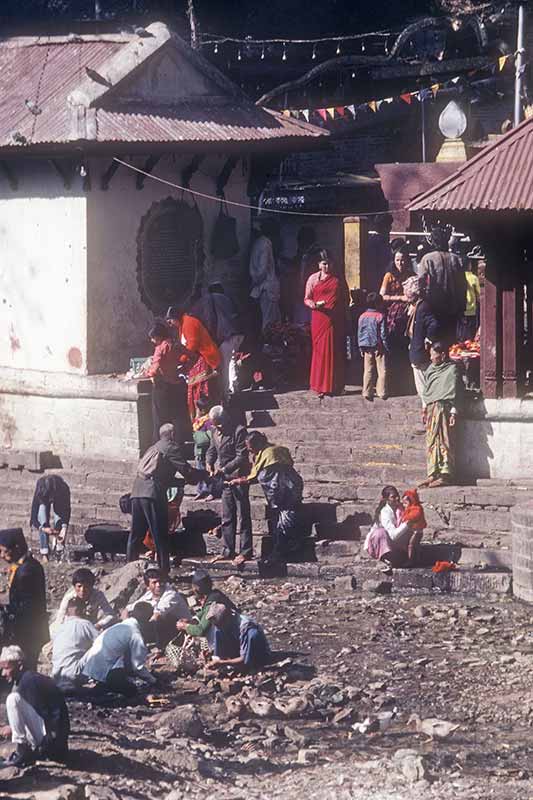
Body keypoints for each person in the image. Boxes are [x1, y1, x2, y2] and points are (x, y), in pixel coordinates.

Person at [127, 423, 201, 574]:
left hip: (137, 492)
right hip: (152, 494)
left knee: (136, 534)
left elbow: (160, 476)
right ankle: (164, 572)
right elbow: (187, 471)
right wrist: (203, 475)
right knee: (159, 534)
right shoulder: (171, 447)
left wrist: (182, 482)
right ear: (172, 434)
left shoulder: (153, 447)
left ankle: (128, 570)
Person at [228, 431, 304, 564]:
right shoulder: (269, 451)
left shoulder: (270, 454)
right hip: (289, 488)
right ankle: (283, 552)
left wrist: (240, 481)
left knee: (284, 523)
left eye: (250, 447)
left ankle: (282, 554)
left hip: (286, 491)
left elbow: (264, 478)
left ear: (257, 444)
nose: (249, 450)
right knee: (281, 521)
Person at [0, 645, 69, 768]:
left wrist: (44, 747)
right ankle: (26, 749)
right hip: (54, 742)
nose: (3, 673)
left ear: (19, 665)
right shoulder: (27, 679)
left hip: (53, 744)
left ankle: (22, 751)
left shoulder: (29, 682)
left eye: (6, 668)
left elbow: (49, 717)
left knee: (12, 699)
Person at [206, 406, 252, 566]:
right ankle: (227, 550)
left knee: (243, 515)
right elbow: (212, 450)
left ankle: (246, 551)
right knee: (227, 516)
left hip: (238, 477)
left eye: (219, 424)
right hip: (224, 479)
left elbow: (242, 456)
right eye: (215, 425)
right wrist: (209, 463)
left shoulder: (239, 431)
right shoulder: (214, 431)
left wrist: (224, 469)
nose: (218, 428)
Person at [79, 602, 157, 697]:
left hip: (89, 669)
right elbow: (138, 667)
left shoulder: (118, 627)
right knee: (133, 691)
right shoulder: (135, 634)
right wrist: (153, 680)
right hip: (103, 673)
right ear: (146, 620)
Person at [0, 528, 49, 670]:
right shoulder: (28, 565)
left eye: (3, 551)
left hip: (27, 634)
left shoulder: (27, 571)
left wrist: (3, 606)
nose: (1, 556)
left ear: (16, 547)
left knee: (22, 670)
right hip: (29, 632)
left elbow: (26, 607)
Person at [166, 306, 221, 420]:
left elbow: (192, 345)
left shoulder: (189, 323)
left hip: (203, 358)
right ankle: (197, 419)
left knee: (201, 391)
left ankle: (205, 418)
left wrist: (181, 359)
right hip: (194, 362)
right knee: (194, 391)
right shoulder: (183, 324)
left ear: (175, 317)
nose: (170, 324)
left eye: (170, 321)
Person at [304, 249, 345, 398]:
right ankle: (317, 385)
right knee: (319, 351)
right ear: (319, 264)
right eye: (324, 264)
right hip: (318, 317)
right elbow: (306, 298)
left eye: (329, 264)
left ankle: (330, 385)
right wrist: (314, 305)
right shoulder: (313, 279)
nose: (326, 267)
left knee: (331, 351)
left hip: (331, 319)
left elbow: (339, 300)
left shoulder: (336, 280)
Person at [419, 342, 462, 488]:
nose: (431, 358)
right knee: (431, 441)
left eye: (433, 354)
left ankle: (445, 475)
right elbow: (427, 390)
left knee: (444, 441)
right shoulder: (431, 369)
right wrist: (424, 409)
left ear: (442, 355)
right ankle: (432, 474)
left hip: (444, 409)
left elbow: (456, 393)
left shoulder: (452, 369)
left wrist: (453, 413)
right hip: (431, 410)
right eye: (430, 354)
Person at [190, 283, 244, 396]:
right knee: (231, 359)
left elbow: (210, 319)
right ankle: (233, 385)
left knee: (225, 364)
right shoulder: (227, 298)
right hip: (238, 333)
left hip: (226, 335)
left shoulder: (208, 299)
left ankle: (227, 393)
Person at [140, 321, 189, 445]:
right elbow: (190, 355)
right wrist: (182, 367)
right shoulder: (175, 344)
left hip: (162, 386)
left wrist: (148, 372)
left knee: (159, 419)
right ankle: (178, 444)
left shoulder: (160, 348)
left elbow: (155, 369)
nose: (152, 341)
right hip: (176, 384)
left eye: (153, 338)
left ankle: (159, 446)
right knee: (176, 417)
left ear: (159, 336)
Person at [418, 225, 467, 345]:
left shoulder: (427, 259)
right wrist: (462, 306)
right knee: (450, 340)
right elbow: (463, 285)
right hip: (453, 307)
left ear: (433, 241)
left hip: (434, 307)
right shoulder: (457, 259)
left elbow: (420, 283)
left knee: (435, 340)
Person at [126, 567, 191, 649]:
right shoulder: (148, 595)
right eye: (154, 582)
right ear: (148, 586)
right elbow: (127, 609)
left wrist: (140, 626)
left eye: (160, 581)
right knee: (139, 607)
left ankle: (161, 648)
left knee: (159, 618)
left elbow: (157, 615)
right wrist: (126, 624)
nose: (158, 585)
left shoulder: (171, 594)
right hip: (160, 628)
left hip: (180, 630)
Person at [176, 569, 237, 650]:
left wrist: (185, 626)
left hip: (232, 638)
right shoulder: (216, 594)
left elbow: (200, 631)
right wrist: (191, 621)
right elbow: (202, 613)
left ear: (196, 588)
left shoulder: (211, 604)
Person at [404, 276, 440, 407]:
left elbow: (433, 324)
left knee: (423, 388)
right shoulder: (416, 306)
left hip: (420, 354)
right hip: (417, 350)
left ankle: (428, 412)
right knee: (423, 386)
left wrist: (428, 340)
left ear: (415, 293)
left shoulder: (423, 307)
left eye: (408, 294)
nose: (406, 297)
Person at [205, 603, 271, 672]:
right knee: (218, 631)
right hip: (239, 649)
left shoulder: (246, 627)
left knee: (253, 634)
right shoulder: (224, 624)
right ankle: (228, 664)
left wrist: (222, 662)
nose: (218, 627)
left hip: (258, 656)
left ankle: (251, 667)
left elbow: (244, 658)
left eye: (220, 624)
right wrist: (214, 655)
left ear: (227, 618)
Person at [364, 485, 413, 575]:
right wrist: (407, 523)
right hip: (379, 543)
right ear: (386, 499)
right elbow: (393, 535)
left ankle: (399, 557)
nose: (397, 498)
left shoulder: (401, 509)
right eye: (393, 497)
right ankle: (383, 558)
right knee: (380, 532)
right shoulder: (384, 512)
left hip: (396, 543)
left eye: (397, 495)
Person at [51, 598, 98, 691]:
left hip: (56, 675)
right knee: (99, 645)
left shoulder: (59, 628)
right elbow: (101, 642)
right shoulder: (85, 624)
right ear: (83, 610)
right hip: (74, 673)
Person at [249, 221, 281, 332]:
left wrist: (254, 284)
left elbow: (261, 270)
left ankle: (269, 346)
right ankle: (268, 346)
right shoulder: (264, 243)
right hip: (265, 288)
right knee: (269, 321)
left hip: (264, 288)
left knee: (268, 321)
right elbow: (262, 269)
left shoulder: (261, 243)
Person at [30, 474, 71, 561]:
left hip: (59, 498)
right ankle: (44, 553)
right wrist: (43, 528)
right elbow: (34, 516)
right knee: (42, 515)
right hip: (45, 496)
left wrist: (63, 528)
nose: (49, 501)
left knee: (58, 518)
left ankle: (59, 551)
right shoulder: (40, 489)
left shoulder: (63, 489)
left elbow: (66, 510)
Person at [379, 244, 414, 344]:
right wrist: (400, 298)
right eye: (397, 260)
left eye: (402, 260)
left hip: (408, 310)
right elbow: (382, 296)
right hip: (392, 311)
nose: (400, 263)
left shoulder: (411, 275)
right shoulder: (389, 276)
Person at [357, 291, 389, 402]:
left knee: (368, 369)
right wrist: (386, 346)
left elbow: (360, 332)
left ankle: (367, 391)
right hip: (378, 346)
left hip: (366, 346)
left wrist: (360, 346)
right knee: (382, 370)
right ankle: (381, 391)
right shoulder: (380, 316)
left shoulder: (362, 316)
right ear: (378, 304)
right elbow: (383, 333)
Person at [192, 395, 214, 500]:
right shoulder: (198, 421)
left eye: (198, 408)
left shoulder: (208, 421)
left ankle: (211, 491)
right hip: (199, 451)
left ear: (203, 409)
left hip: (207, 450)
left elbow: (210, 436)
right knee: (199, 470)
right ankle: (201, 490)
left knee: (209, 471)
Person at [457, 251, 481, 342]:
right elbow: (479, 295)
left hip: (460, 310)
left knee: (461, 332)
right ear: (469, 265)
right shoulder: (474, 278)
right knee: (471, 332)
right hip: (471, 310)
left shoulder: (457, 277)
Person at [400, 489, 427, 566]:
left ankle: (411, 560)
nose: (404, 504)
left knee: (411, 544)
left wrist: (406, 517)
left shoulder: (416, 508)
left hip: (417, 532)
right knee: (415, 546)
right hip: (412, 531)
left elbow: (414, 516)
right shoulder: (409, 508)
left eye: (406, 502)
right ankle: (417, 559)